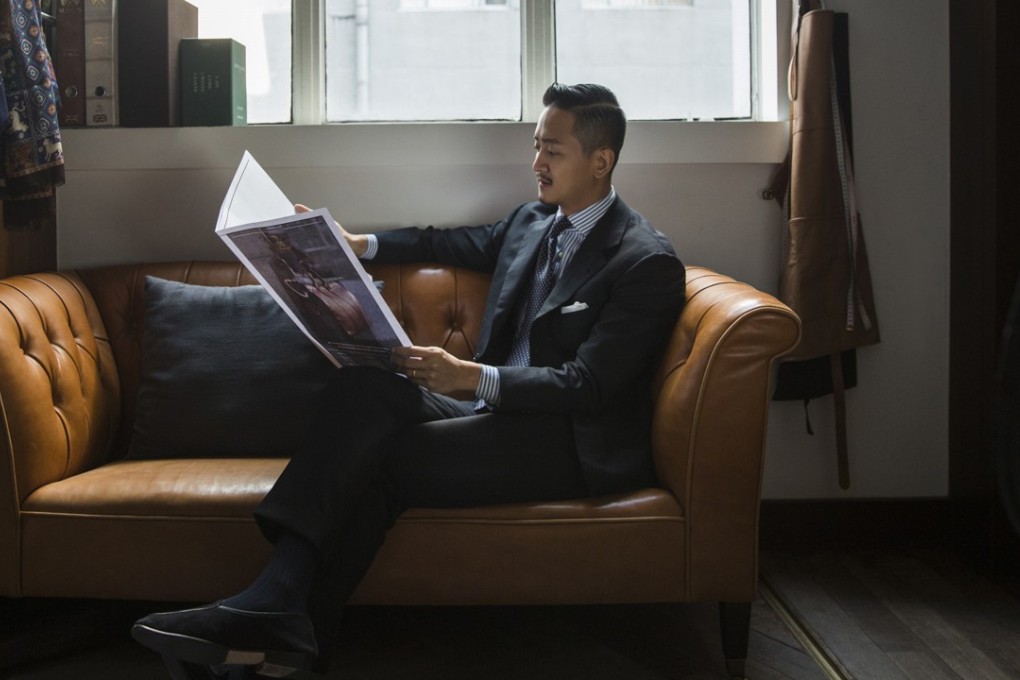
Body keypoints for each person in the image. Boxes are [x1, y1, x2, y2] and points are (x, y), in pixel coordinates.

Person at [131, 83, 687, 678]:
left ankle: (276, 614)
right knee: (364, 385)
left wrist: (470, 378)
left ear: (601, 161)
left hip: (565, 441)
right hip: (490, 413)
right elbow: (446, 241)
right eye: (536, 146)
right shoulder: (532, 222)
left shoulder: (644, 261)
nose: (536, 163)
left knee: (386, 455)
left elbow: (588, 387)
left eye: (553, 150)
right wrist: (355, 244)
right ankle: (281, 617)